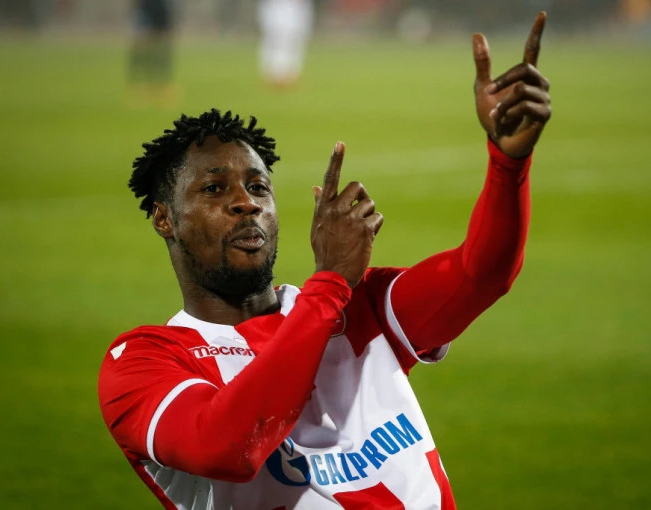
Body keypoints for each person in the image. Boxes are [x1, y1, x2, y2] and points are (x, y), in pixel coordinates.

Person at [99, 12, 552, 509]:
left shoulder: (362, 306)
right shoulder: (144, 362)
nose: (246, 203)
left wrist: (508, 164)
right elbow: (227, 448)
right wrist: (331, 282)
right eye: (214, 189)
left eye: (258, 187)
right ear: (164, 218)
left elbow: (479, 276)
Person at [257, 0, 314, 88]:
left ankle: (289, 74)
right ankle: (277, 73)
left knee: (295, 40)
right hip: (278, 8)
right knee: (278, 40)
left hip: (297, 8)